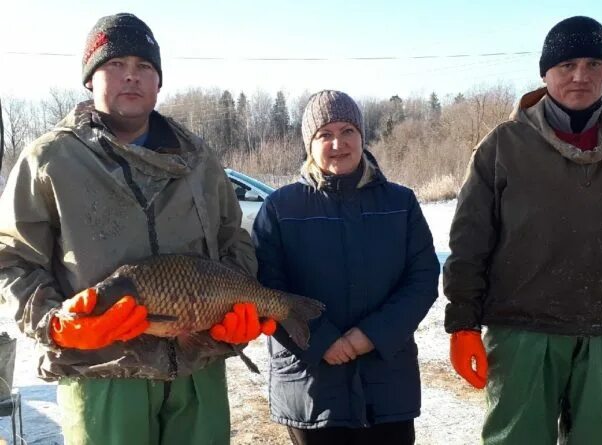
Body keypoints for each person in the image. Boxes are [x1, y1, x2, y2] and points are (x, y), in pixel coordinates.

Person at [0, 13, 274, 445]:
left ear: (159, 82)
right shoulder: (48, 160)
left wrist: (239, 303)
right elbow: (12, 260)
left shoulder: (200, 159)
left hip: (198, 372)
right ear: (90, 78)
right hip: (102, 375)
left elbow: (232, 240)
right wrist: (55, 323)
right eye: (115, 64)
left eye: (144, 66)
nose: (131, 76)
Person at [443, 16, 602, 445]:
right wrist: (462, 323)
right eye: (567, 64)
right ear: (545, 71)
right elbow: (468, 242)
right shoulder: (502, 145)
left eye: (594, 64)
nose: (580, 76)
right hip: (522, 332)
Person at [251, 90, 440, 445]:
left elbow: (423, 279)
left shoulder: (401, 203)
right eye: (325, 134)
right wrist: (322, 341)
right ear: (309, 143)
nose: (338, 143)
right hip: (313, 388)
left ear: (362, 137)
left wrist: (369, 336)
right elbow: (266, 290)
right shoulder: (280, 208)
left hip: (386, 385)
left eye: (348, 130)